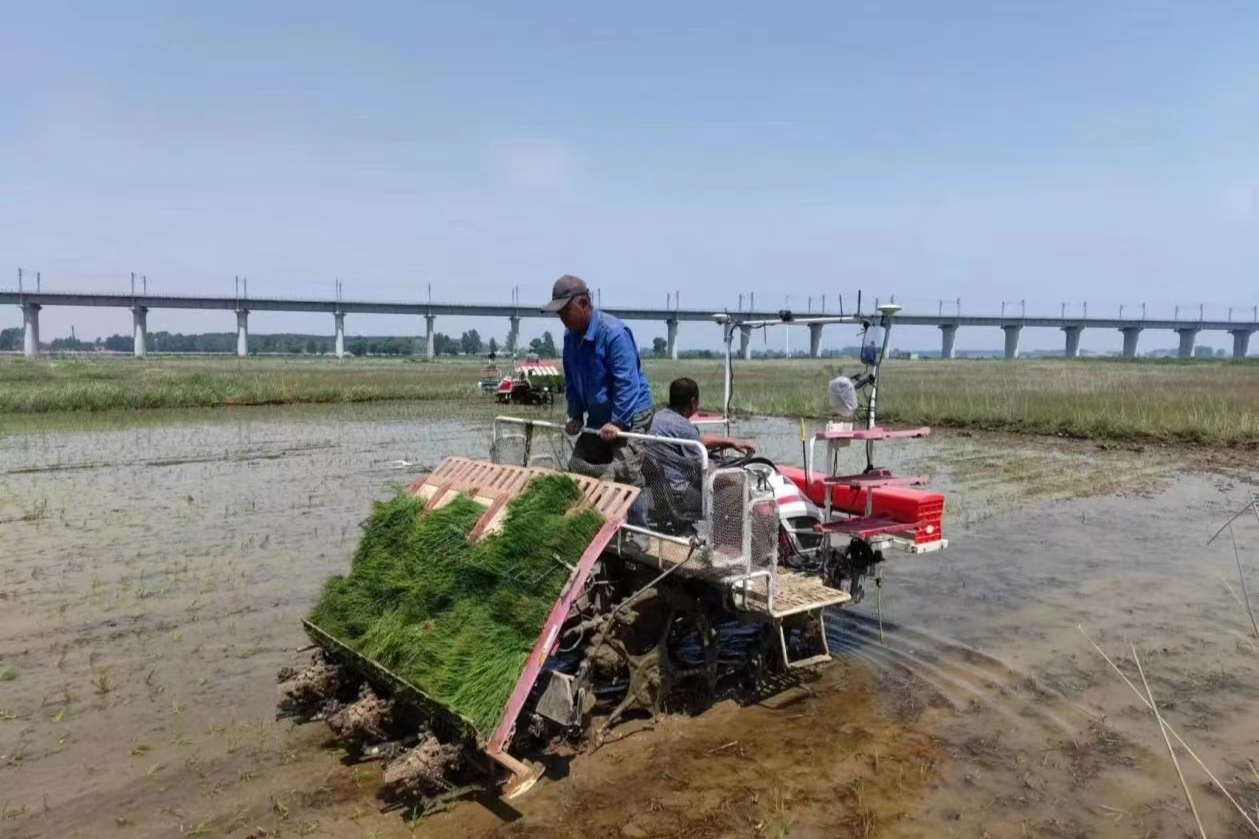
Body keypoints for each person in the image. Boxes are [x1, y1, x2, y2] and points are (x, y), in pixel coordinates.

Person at [544, 275, 655, 502]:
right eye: (559, 314)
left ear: (584, 304)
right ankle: (593, 520)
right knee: (579, 463)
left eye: (566, 311)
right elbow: (573, 380)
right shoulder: (570, 337)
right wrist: (575, 415)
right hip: (598, 414)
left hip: (631, 414)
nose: (562, 318)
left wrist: (617, 422)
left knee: (626, 475)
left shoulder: (613, 333)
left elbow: (627, 383)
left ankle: (637, 535)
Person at [646, 377, 755, 522]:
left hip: (657, 494)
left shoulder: (655, 419)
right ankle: (724, 541)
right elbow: (706, 470)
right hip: (680, 497)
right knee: (738, 492)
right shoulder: (684, 427)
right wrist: (736, 477)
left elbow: (693, 442)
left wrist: (730, 441)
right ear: (692, 402)